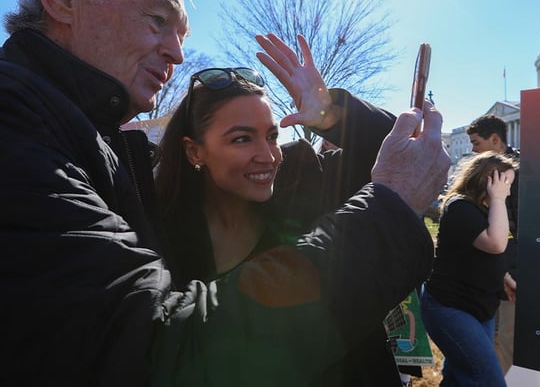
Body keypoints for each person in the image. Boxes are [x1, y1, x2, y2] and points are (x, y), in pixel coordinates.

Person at [0, 0, 451, 387]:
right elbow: (148, 351)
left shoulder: (99, 147)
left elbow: (392, 166)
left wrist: (333, 113)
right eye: (158, 21)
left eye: (273, 135)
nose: (177, 53)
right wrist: (389, 211)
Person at [154, 32, 404, 385]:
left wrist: (332, 115)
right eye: (242, 139)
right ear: (195, 151)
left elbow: (402, 150)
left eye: (271, 136)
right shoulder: (158, 231)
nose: (269, 155)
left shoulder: (307, 180)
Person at [420, 151, 519, 387]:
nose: (508, 190)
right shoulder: (460, 206)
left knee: (458, 378)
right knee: (488, 381)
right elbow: (495, 243)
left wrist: (502, 276)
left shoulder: (484, 209)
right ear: (488, 180)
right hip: (451, 307)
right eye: (506, 183)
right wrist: (497, 199)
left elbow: (476, 253)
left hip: (477, 307)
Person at [466, 114, 519, 373]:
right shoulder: (486, 172)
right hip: (486, 273)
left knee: (503, 340)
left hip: (508, 274)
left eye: (476, 143)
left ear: (495, 139)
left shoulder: (517, 173)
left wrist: (505, 269)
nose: (472, 150)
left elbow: (517, 228)